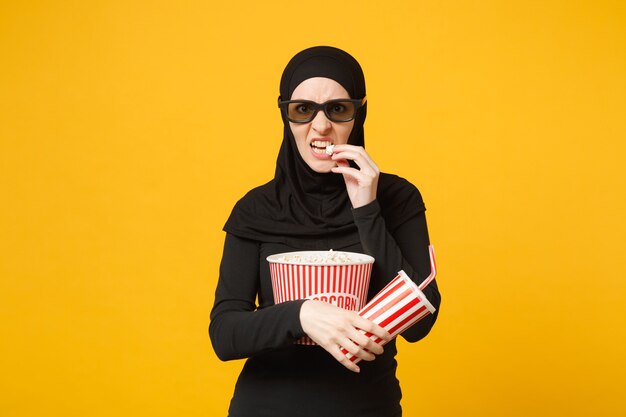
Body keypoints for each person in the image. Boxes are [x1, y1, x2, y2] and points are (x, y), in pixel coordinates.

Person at [209, 46, 441, 417]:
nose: (320, 126)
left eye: (337, 109)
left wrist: (366, 209)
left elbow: (420, 325)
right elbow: (224, 334)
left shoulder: (397, 198)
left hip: (368, 408)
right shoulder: (255, 209)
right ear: (285, 116)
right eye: (303, 110)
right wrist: (301, 315)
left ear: (358, 114)